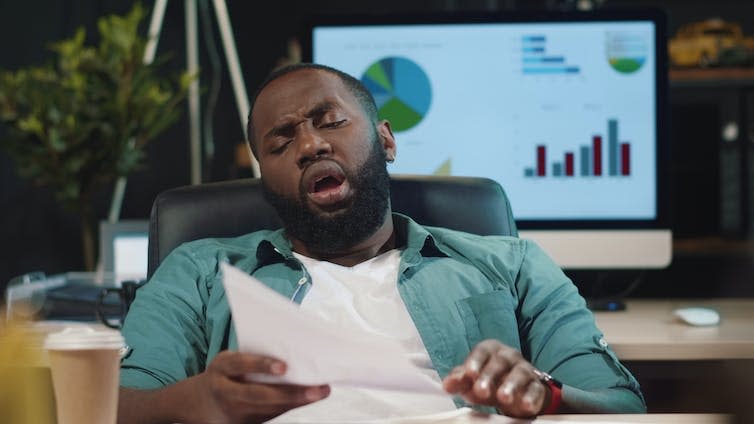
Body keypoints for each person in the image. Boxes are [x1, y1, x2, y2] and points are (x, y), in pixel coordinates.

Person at [117, 63, 646, 423]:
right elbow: (111, 404)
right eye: (281, 142)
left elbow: (622, 406)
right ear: (264, 178)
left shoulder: (511, 265)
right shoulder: (199, 271)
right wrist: (200, 398)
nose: (310, 145)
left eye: (331, 122)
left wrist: (544, 393)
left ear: (386, 140)